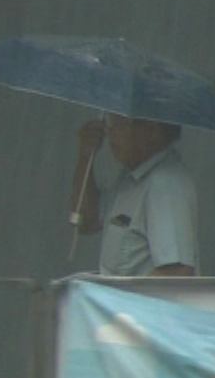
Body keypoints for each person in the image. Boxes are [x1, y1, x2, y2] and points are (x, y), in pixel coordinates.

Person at [70, 114, 198, 277]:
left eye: (120, 123)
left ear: (152, 130)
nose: (110, 131)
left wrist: (117, 302)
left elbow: (176, 272)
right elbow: (87, 222)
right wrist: (86, 157)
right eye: (111, 122)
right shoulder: (131, 177)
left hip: (133, 302)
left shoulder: (165, 184)